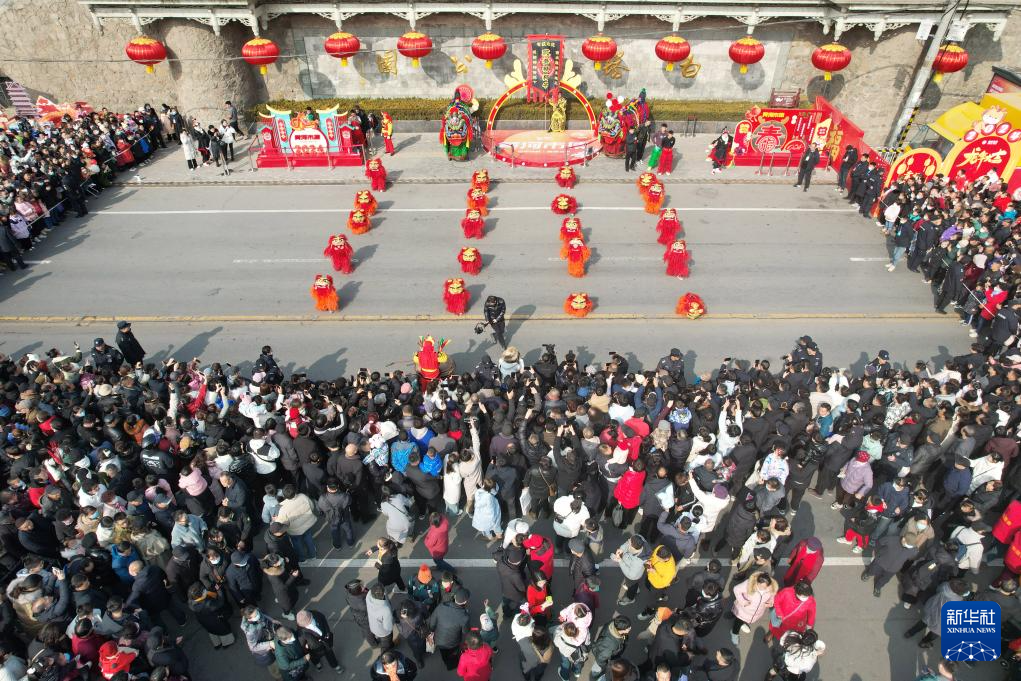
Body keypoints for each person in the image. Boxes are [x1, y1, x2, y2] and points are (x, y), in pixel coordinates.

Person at [295, 609, 343, 673]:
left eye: (309, 622)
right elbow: (301, 642)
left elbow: (324, 622)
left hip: (325, 641)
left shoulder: (317, 614)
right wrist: (305, 646)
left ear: (311, 616)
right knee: (314, 657)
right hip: (314, 648)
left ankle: (335, 665)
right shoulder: (300, 631)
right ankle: (317, 664)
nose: (308, 625)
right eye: (306, 625)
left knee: (330, 653)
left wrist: (327, 632)